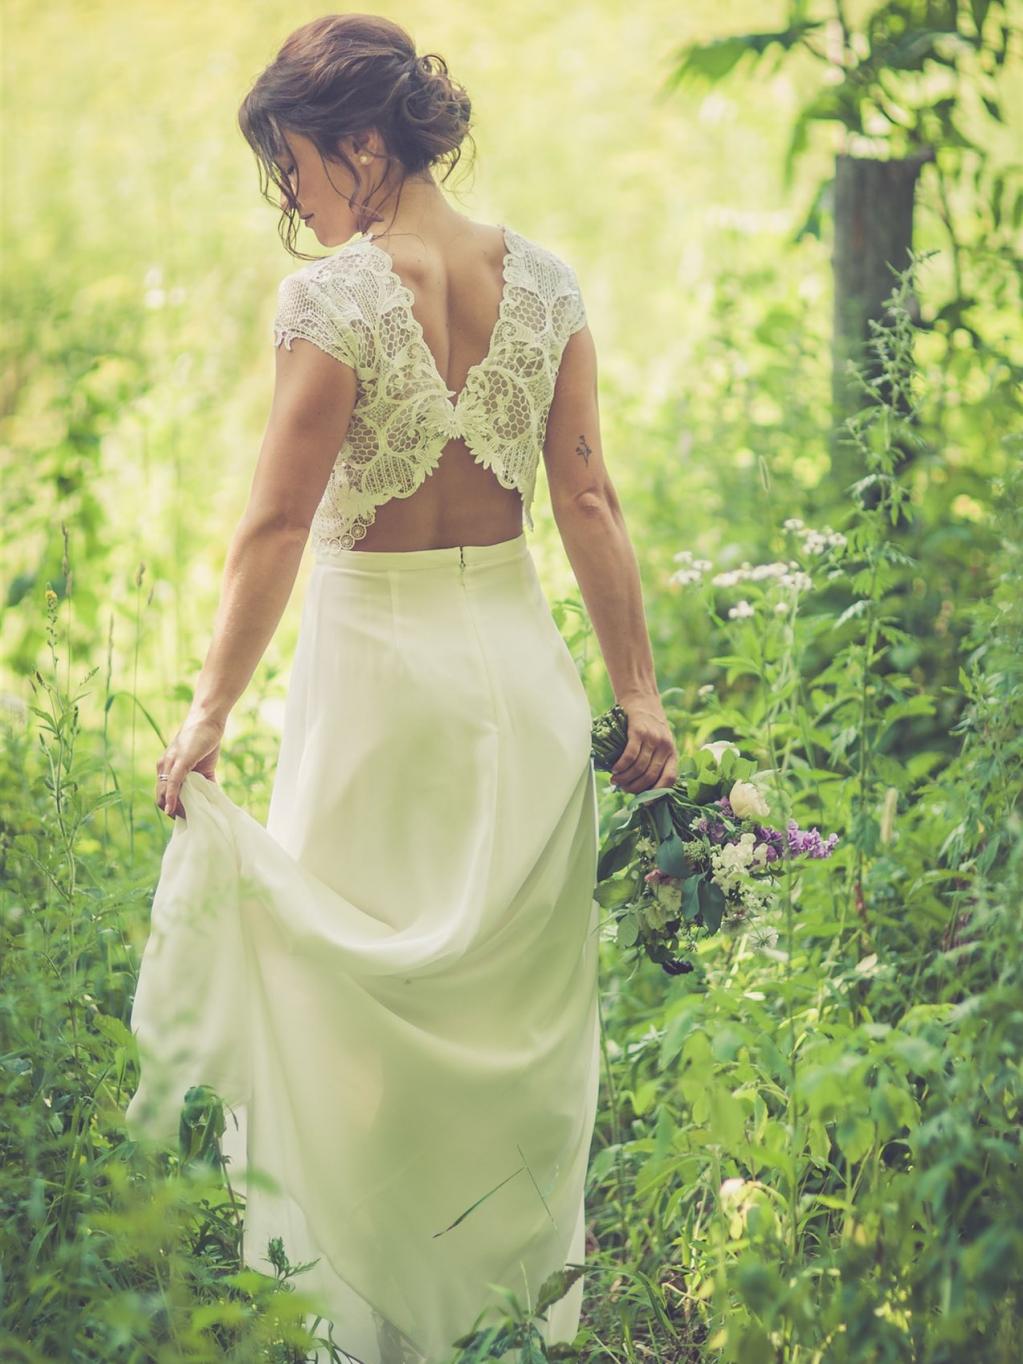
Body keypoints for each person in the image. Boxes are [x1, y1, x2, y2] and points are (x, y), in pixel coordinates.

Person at [125, 13, 678, 1364]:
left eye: (301, 168)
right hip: (519, 689)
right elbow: (589, 497)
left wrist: (209, 718)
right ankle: (504, 1314)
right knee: (511, 1029)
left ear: (363, 145)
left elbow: (272, 526)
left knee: (354, 1013)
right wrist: (640, 695)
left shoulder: (336, 301)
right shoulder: (545, 285)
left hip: (374, 697)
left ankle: (369, 1321)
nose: (297, 204)